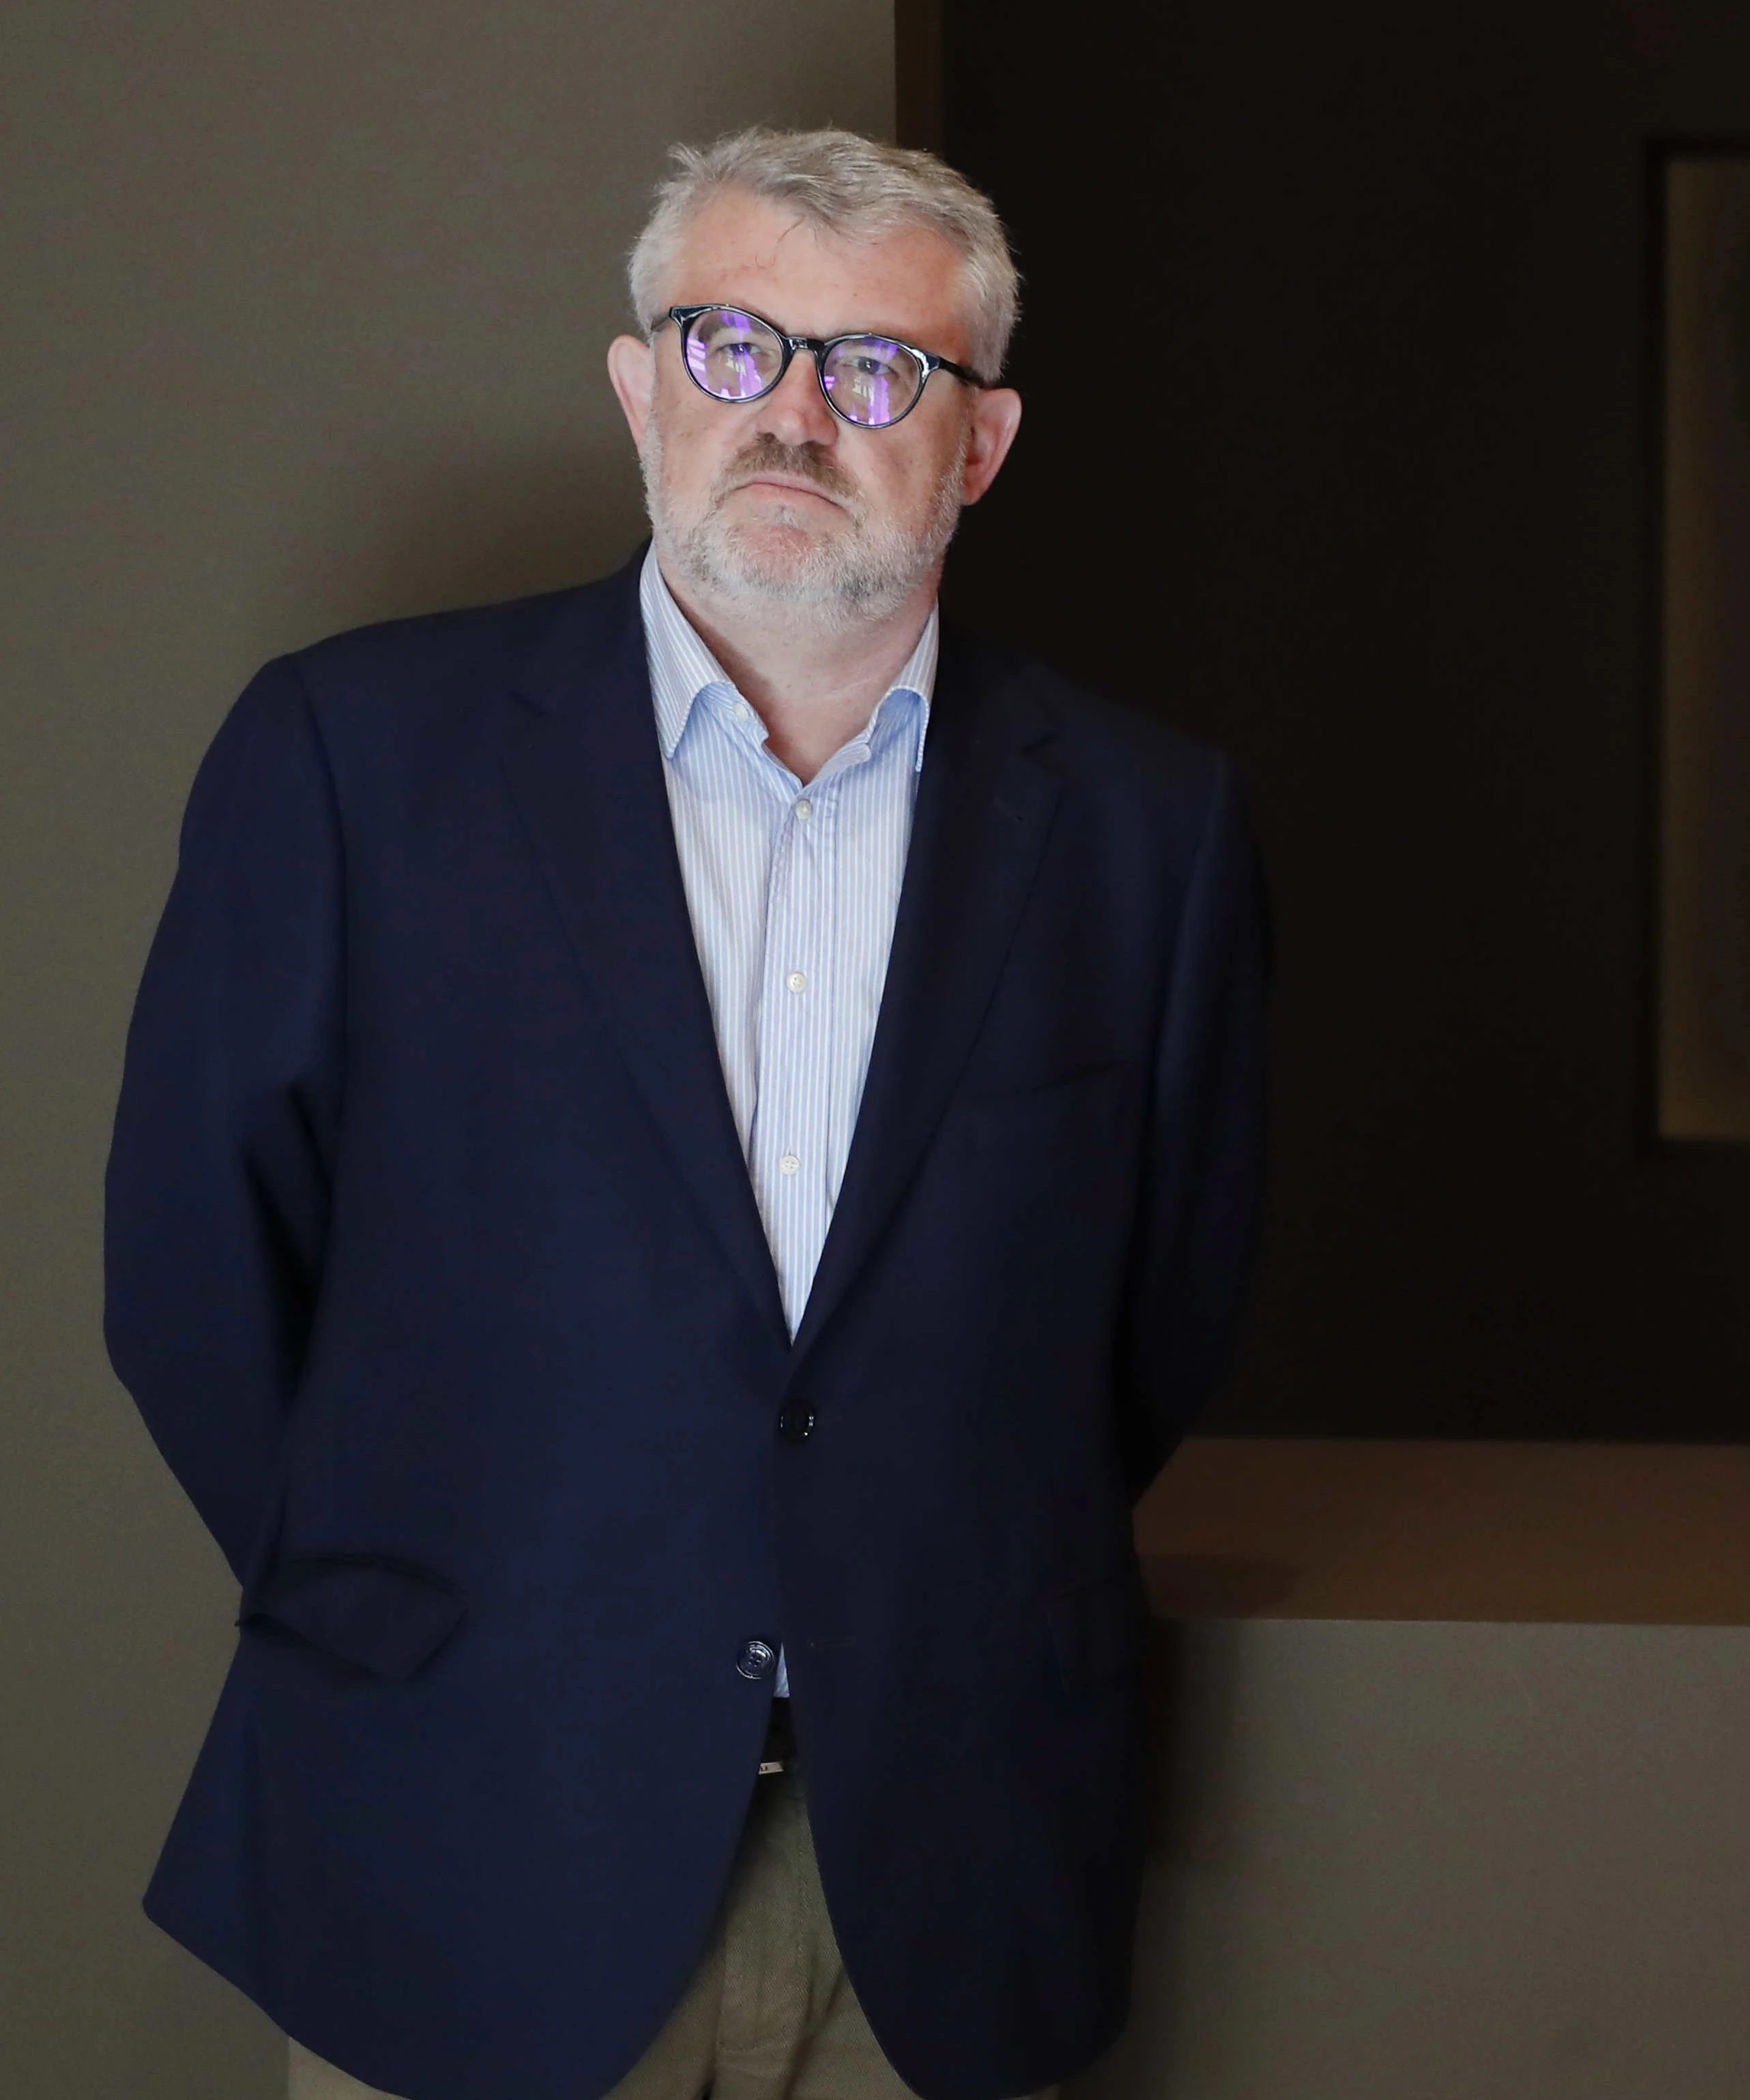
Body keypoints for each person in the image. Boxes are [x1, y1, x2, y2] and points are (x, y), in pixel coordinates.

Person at [105, 128, 1268, 2100]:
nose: (795, 414)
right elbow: (192, 1276)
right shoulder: (350, 758)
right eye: (732, 345)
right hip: (467, 1823)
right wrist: (427, 1598)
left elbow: (1161, 1324)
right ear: (643, 387)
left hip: (942, 1861)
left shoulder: (1149, 832)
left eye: (877, 367)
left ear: (979, 443)